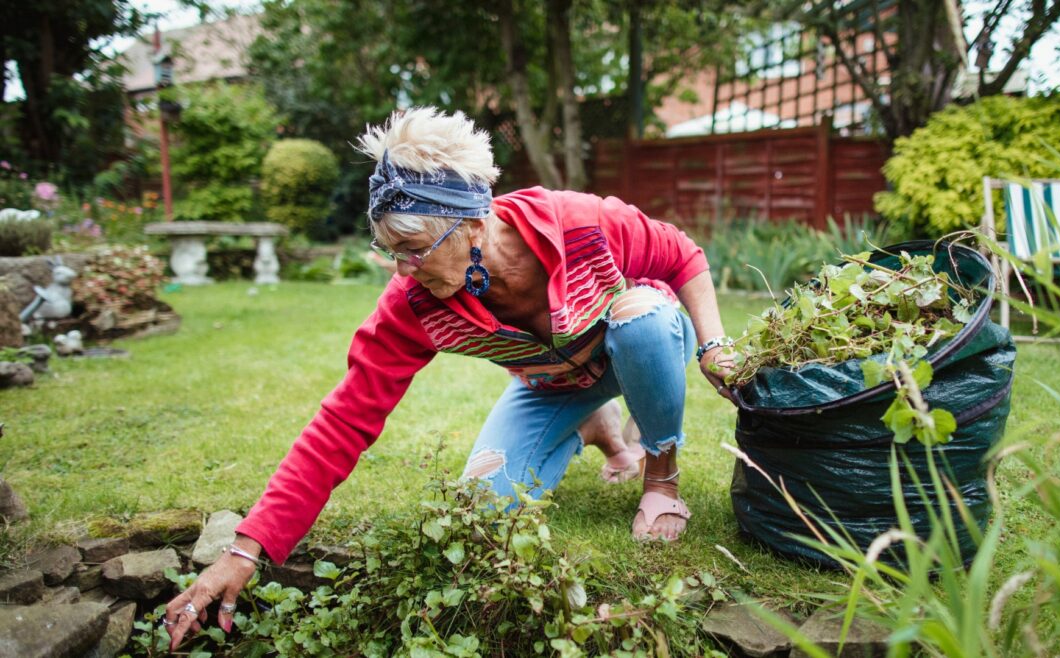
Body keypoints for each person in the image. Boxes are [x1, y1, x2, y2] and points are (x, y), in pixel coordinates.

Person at [162, 107, 735, 649]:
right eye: (389, 251)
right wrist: (246, 549)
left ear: (472, 224)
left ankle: (659, 475)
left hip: (637, 344)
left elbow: (682, 256)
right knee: (482, 513)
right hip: (553, 383)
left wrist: (712, 345)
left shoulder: (578, 221)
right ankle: (597, 426)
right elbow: (344, 419)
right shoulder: (413, 302)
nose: (403, 270)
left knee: (645, 321)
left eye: (413, 249)